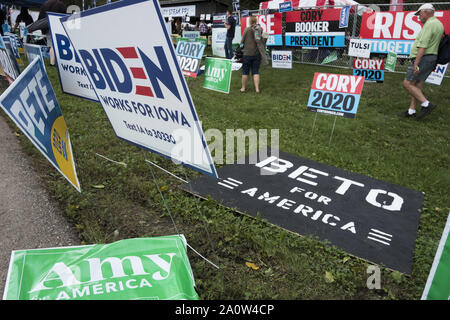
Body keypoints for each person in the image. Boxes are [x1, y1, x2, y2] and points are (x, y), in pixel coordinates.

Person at [399, 3, 444, 119]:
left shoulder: (429, 25)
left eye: (419, 14)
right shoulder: (438, 24)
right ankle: (411, 111)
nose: (419, 17)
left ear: (425, 12)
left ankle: (426, 104)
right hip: (431, 58)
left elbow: (423, 46)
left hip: (423, 58)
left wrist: (416, 64)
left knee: (407, 83)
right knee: (416, 85)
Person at [240, 16, 268, 93]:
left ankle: (243, 88)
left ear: (249, 21)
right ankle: (257, 89)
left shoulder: (247, 29)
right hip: (256, 54)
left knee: (245, 72)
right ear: (256, 21)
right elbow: (262, 41)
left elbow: (242, 41)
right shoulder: (259, 30)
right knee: (255, 71)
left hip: (247, 54)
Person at [38, 0, 67, 66]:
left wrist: (43, 30)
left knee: (51, 45)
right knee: (54, 45)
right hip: (57, 26)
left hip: (47, 27)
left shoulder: (45, 4)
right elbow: (64, 16)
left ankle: (53, 61)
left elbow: (40, 17)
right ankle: (52, 62)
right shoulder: (60, 4)